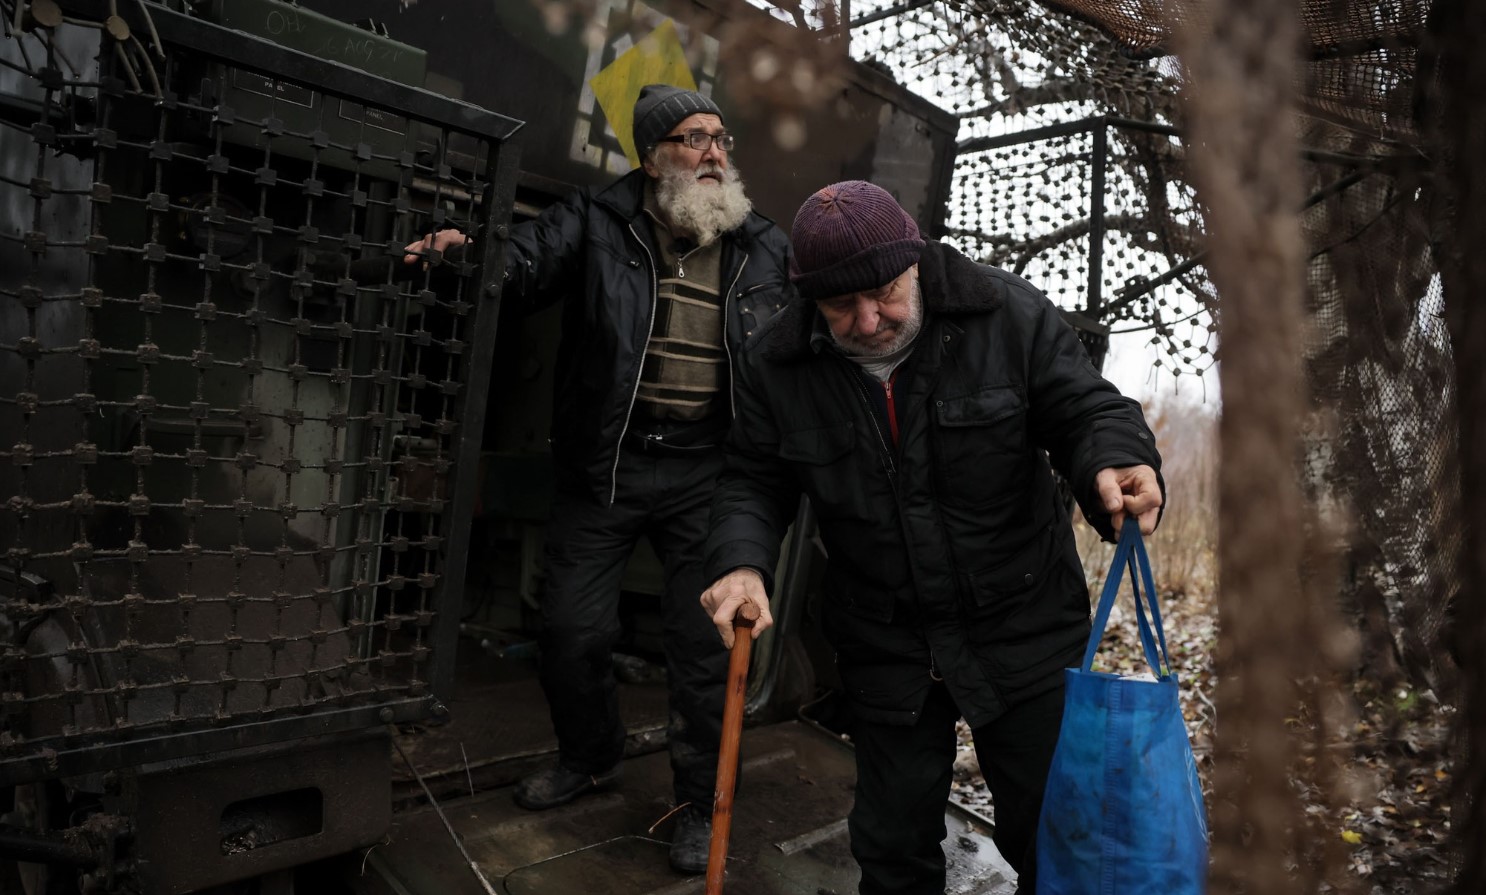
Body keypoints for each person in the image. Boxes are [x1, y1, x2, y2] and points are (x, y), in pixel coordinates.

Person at [698, 180, 1163, 894]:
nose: (867, 318)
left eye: (884, 292)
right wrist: (740, 561)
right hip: (887, 638)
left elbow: (1084, 407)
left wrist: (1113, 458)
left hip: (1023, 621)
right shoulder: (777, 363)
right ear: (807, 301)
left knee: (1058, 835)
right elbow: (752, 479)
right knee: (890, 846)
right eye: (839, 306)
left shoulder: (1005, 313)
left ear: (914, 260)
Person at [405, 85, 792, 874]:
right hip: (608, 464)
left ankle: (697, 800)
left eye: (721, 138)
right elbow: (522, 261)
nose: (715, 154)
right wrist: (467, 256)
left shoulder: (764, 247)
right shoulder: (597, 220)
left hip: (709, 472)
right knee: (571, 631)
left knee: (701, 647)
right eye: (693, 139)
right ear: (654, 159)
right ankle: (591, 754)